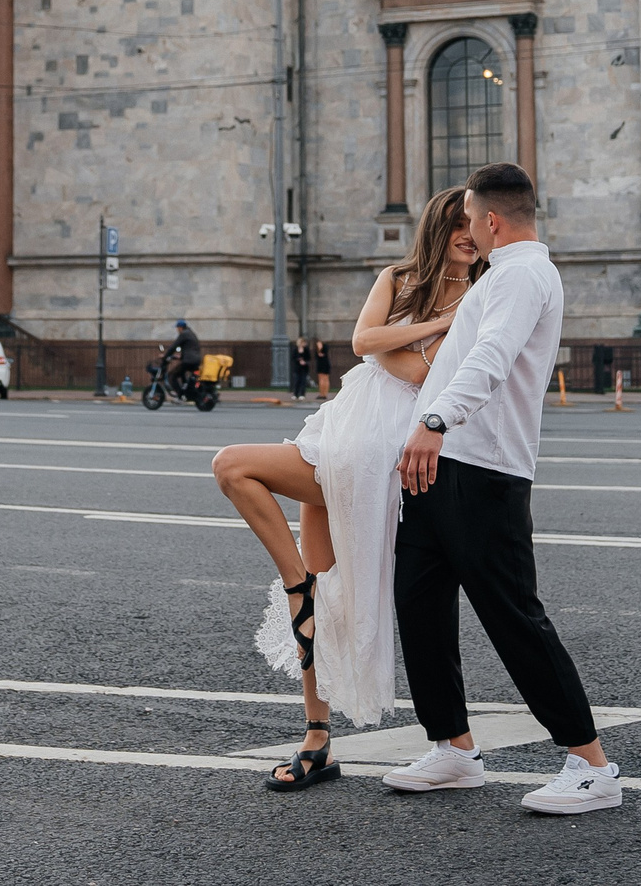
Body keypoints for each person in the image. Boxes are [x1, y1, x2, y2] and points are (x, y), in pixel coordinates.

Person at [212, 188, 477, 789]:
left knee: (234, 467)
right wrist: (437, 325)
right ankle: (316, 734)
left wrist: (396, 344)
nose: (468, 233)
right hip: (336, 435)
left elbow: (425, 374)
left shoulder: (481, 293)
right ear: (437, 227)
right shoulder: (399, 278)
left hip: (383, 452)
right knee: (316, 587)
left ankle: (299, 592)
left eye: (474, 224)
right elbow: (362, 343)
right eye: (456, 223)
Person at [385, 163, 618, 815]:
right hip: (441, 465)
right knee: (420, 607)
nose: (466, 229)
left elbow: (492, 356)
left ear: (491, 219)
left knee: (513, 616)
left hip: (483, 469)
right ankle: (454, 749)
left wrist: (435, 421)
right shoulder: (502, 275)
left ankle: (592, 765)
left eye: (468, 218)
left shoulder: (522, 275)